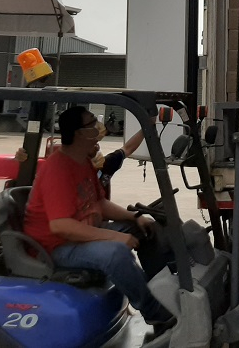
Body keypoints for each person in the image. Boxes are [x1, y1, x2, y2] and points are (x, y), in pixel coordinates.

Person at [22, 106, 175, 332]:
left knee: (144, 228)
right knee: (116, 253)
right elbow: (61, 226)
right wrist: (113, 236)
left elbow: (100, 203)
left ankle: (163, 289)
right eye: (92, 124)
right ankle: (156, 313)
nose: (98, 127)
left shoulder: (82, 161)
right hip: (56, 246)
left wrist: (135, 217)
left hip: (80, 235)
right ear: (78, 133)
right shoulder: (58, 169)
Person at [16, 121, 145, 200]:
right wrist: (23, 159)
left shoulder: (105, 165)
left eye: (97, 142)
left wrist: (147, 127)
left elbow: (128, 148)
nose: (96, 145)